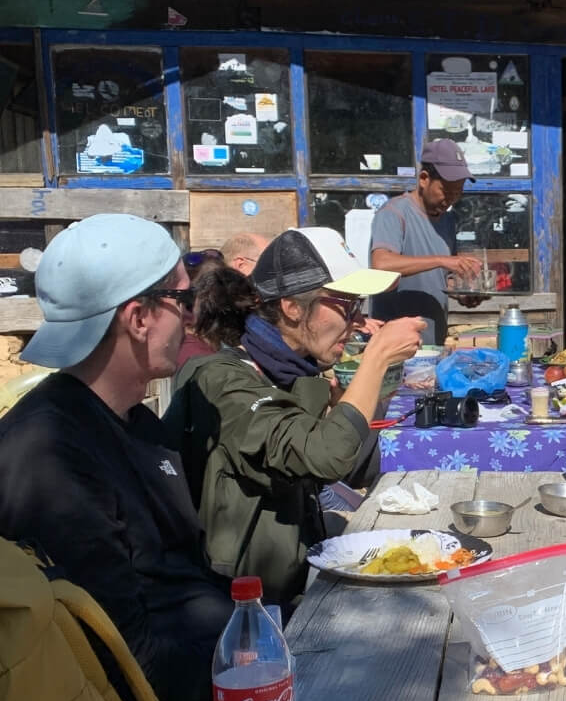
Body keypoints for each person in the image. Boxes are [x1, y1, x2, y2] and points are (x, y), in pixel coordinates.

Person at [0, 214, 233, 701]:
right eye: (182, 297)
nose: (193, 314)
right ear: (138, 317)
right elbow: (122, 662)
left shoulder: (130, 419)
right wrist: (257, 653)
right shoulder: (50, 457)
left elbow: (181, 574)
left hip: (207, 685)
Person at [165, 228, 424, 609]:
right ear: (292, 307)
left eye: (359, 306)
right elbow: (325, 456)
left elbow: (356, 469)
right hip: (239, 609)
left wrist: (362, 392)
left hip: (294, 582)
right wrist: (376, 357)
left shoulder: (295, 373)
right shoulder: (223, 380)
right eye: (346, 305)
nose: (357, 321)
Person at [369, 138, 485, 334]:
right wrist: (442, 260)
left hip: (433, 340)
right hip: (395, 343)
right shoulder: (393, 213)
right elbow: (381, 264)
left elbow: (439, 278)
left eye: (458, 192)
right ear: (424, 179)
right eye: (446, 191)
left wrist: (462, 293)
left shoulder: (447, 221)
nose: (451, 199)